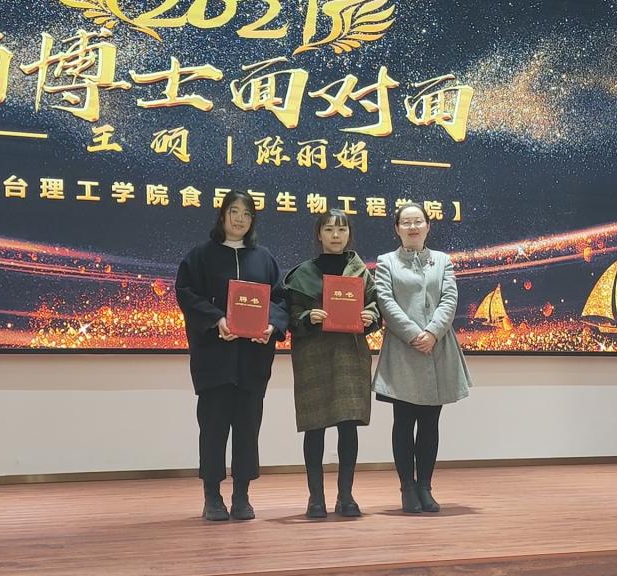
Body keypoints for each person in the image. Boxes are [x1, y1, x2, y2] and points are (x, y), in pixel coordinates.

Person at [175, 190, 289, 522]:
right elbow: (185, 293)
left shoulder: (264, 258)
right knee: (213, 430)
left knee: (247, 430)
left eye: (246, 213)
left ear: (253, 220)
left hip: (252, 360)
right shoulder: (201, 256)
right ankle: (212, 496)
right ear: (222, 214)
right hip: (215, 359)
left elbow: (281, 300)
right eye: (234, 211)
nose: (240, 219)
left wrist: (272, 325)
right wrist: (216, 319)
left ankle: (242, 496)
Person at [373, 203, 472, 513]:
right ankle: (407, 487)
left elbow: (449, 299)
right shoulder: (386, 262)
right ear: (397, 229)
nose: (413, 227)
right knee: (403, 422)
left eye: (418, 221)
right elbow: (385, 301)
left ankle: (425, 487)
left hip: (437, 348)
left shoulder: (443, 261)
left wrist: (431, 333)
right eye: (406, 222)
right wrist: (414, 334)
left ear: (428, 226)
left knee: (430, 423)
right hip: (403, 350)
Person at [284, 209, 380, 518]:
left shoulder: (361, 272)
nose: (336, 235)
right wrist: (306, 316)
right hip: (314, 355)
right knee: (315, 427)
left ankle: (346, 497)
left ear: (349, 234)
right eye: (329, 229)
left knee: (348, 426)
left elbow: (376, 307)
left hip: (350, 354)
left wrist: (370, 316)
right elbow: (289, 316)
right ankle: (316, 499)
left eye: (342, 229)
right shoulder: (302, 273)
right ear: (319, 234)